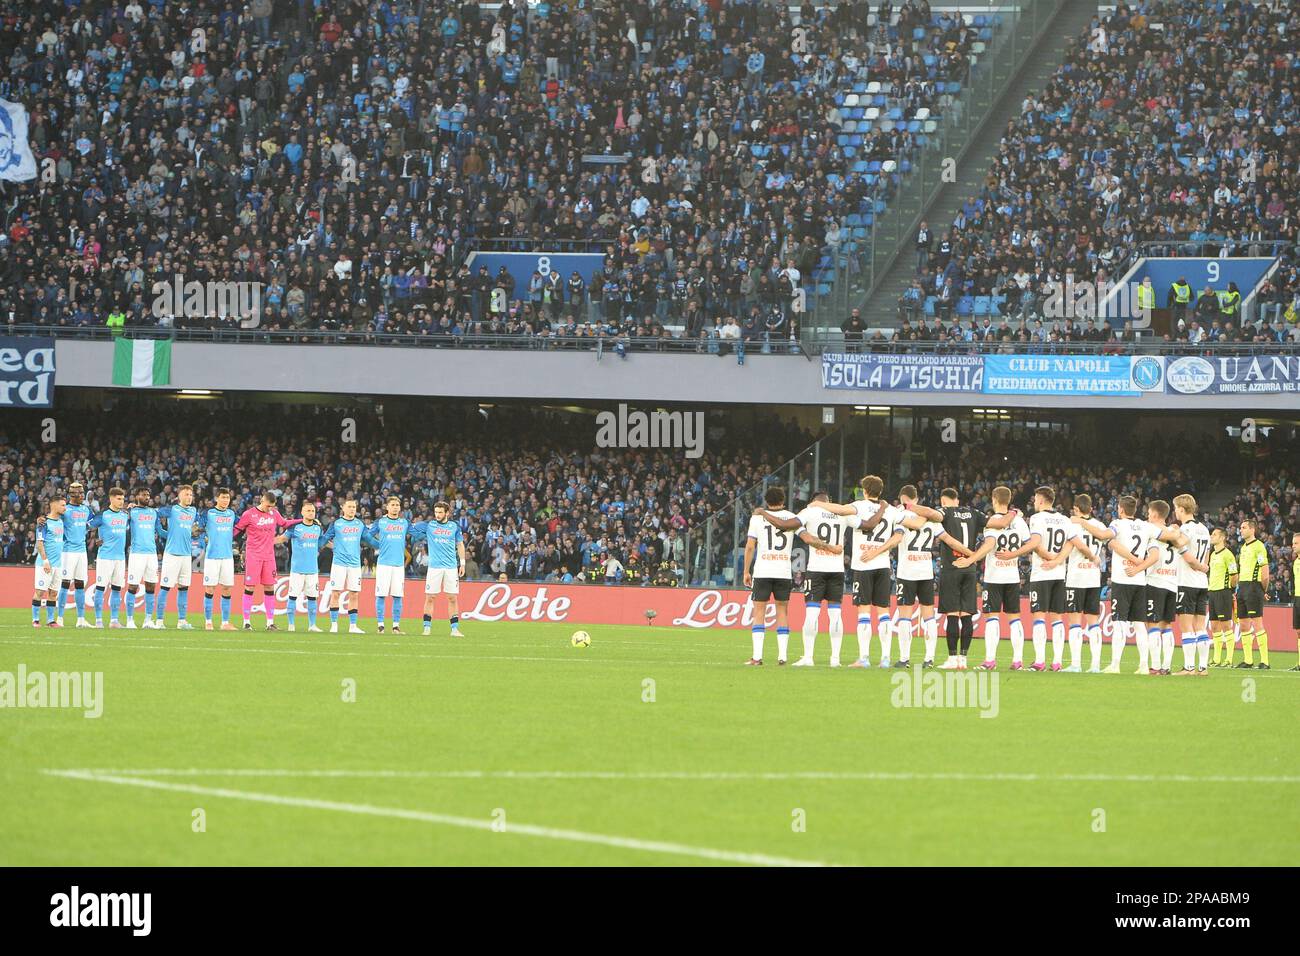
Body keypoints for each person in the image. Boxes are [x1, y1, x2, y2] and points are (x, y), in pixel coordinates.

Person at [954, 485, 1028, 669]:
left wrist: (971, 559)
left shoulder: (993, 521)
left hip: (994, 577)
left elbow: (989, 545)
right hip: (1012, 576)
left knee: (992, 618)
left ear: (994, 500)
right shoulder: (1019, 521)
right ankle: (1018, 660)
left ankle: (990, 660)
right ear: (1009, 500)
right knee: (1014, 619)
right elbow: (1029, 545)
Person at [743, 486, 804, 665]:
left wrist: (746, 571)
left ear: (766, 501)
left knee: (759, 612)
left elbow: (750, 546)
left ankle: (757, 657)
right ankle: (782, 657)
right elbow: (804, 536)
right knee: (782, 611)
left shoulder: (757, 518)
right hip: (783, 571)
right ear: (783, 500)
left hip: (763, 570)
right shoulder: (792, 517)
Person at [234, 492, 300, 631]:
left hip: (269, 556)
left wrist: (301, 520)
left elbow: (284, 523)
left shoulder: (274, 513)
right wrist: (225, 539)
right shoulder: (249, 514)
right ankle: (246, 622)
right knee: (250, 587)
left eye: (272, 506)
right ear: (262, 500)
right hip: (253, 555)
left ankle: (270, 623)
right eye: (268, 506)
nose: (270, 508)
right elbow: (238, 529)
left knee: (270, 587)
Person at [1065, 494, 1113, 673]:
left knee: (1075, 623)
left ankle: (1076, 664)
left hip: (1076, 578)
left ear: (1076, 509)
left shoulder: (1072, 524)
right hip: (1093, 578)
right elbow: (1108, 540)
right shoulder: (1099, 526)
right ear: (1091, 508)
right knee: (1094, 623)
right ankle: (1095, 665)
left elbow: (1073, 547)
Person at [412, 500, 466, 637]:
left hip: (451, 567)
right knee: (430, 597)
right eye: (436, 512)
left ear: (447, 513)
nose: (437, 515)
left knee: (452, 598)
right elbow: (411, 526)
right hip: (434, 568)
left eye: (440, 512)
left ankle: (454, 629)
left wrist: (462, 563)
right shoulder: (429, 525)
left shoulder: (454, 526)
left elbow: (460, 545)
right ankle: (427, 628)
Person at [1171, 494, 1211, 675]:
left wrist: (1173, 532)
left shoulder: (1186, 528)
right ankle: (1203, 667)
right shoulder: (1204, 528)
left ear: (1181, 509)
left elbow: (1180, 544)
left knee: (1186, 627)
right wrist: (1203, 568)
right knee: (1200, 626)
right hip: (1202, 582)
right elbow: (1207, 553)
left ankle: (1188, 667)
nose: (1175, 512)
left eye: (1176, 508)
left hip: (1186, 582)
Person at [155, 484, 198, 629]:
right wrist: (160, 531)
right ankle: (159, 621)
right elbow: (155, 514)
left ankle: (182, 621)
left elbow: (198, 526)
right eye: (186, 494)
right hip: (172, 554)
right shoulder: (172, 509)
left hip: (186, 555)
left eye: (191, 495)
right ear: (179, 496)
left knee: (183, 588)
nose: (189, 497)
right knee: (165, 587)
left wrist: (198, 532)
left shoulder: (193, 511)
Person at [366, 496, 412, 633]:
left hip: (398, 565)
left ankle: (396, 626)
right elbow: (367, 536)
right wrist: (377, 544)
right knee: (381, 594)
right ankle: (380, 625)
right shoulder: (381, 522)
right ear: (387, 507)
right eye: (393, 505)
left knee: (398, 595)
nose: (395, 507)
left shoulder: (404, 522)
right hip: (384, 564)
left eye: (397, 505)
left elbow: (416, 533)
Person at [88, 488, 130, 628]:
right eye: (118, 499)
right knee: (100, 588)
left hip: (120, 558)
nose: (121, 501)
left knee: (117, 589)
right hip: (105, 557)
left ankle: (114, 621)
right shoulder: (103, 515)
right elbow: (88, 526)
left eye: (123, 499)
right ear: (111, 499)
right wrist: (95, 539)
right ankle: (98, 621)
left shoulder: (125, 515)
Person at [323, 498, 366, 634]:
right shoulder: (336, 523)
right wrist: (333, 547)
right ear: (343, 508)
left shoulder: (360, 524)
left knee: (354, 594)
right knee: (336, 593)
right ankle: (334, 625)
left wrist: (380, 544)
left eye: (354, 507)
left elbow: (368, 538)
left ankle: (353, 626)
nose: (352, 509)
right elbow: (324, 539)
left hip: (354, 564)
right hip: (339, 564)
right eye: (350, 507)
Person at [198, 488, 239, 631]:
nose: (226, 500)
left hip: (227, 557)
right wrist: (203, 539)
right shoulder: (208, 513)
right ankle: (208, 622)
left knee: (227, 589)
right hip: (212, 556)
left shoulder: (232, 514)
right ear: (217, 498)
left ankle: (225, 623)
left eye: (227, 498)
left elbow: (241, 526)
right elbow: (198, 528)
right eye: (223, 497)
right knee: (210, 588)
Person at [281, 502, 325, 633]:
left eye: (313, 511)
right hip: (297, 570)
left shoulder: (318, 528)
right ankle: (291, 625)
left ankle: (312, 625)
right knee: (292, 596)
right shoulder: (295, 527)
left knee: (312, 598)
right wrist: (267, 541)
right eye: (308, 510)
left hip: (312, 569)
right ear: (302, 512)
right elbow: (282, 538)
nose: (311, 513)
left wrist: (337, 547)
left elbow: (322, 542)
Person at [56, 481, 93, 627]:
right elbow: (53, 522)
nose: (83, 495)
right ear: (72, 494)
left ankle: (81, 619)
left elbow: (94, 523)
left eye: (83, 492)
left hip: (82, 551)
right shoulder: (64, 510)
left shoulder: (86, 509)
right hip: (68, 551)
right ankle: (59, 618)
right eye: (80, 492)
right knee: (65, 584)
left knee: (80, 584)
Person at [1234, 519, 1270, 669]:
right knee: (1243, 624)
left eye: (1244, 527)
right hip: (1242, 587)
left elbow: (1265, 572)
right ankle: (1248, 660)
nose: (1241, 530)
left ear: (1252, 529)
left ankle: (1265, 661)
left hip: (1254, 586)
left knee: (1257, 623)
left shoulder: (1259, 546)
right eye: (1240, 527)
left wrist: (1263, 590)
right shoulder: (1243, 548)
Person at [124, 486, 162, 629]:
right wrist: (127, 510)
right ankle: (129, 620)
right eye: (143, 495)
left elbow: (160, 531)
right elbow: (123, 526)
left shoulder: (153, 512)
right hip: (137, 554)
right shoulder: (131, 512)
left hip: (151, 554)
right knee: (133, 586)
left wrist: (174, 534)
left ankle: (148, 620)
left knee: (151, 586)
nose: (147, 497)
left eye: (148, 495)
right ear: (136, 497)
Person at [1205, 528, 1239, 667]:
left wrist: (1230, 590)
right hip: (1212, 592)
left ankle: (1229, 659)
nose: (1211, 536)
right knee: (1214, 626)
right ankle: (1216, 658)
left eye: (1214, 534)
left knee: (1226, 625)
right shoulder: (1213, 554)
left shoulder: (1228, 555)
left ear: (1222, 538)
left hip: (1223, 592)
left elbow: (1234, 575)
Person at [33, 494, 66, 627]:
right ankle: (35, 619)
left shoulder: (61, 521)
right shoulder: (44, 523)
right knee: (40, 591)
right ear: (54, 505)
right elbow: (40, 543)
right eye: (62, 505)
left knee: (53, 593)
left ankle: (50, 620)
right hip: (45, 564)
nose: (64, 508)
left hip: (58, 564)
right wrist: (45, 560)